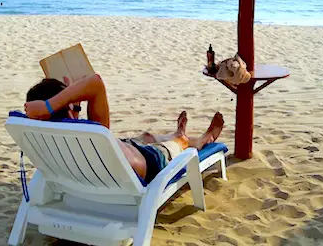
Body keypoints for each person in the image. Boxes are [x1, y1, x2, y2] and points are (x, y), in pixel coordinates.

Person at [23, 74, 224, 184]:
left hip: (121, 153)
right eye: (76, 107)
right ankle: (191, 139)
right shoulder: (89, 136)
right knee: (178, 144)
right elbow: (95, 83)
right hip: (151, 161)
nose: (78, 111)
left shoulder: (43, 136)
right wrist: (50, 105)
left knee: (144, 137)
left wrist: (55, 106)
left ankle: (172, 134)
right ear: (65, 109)